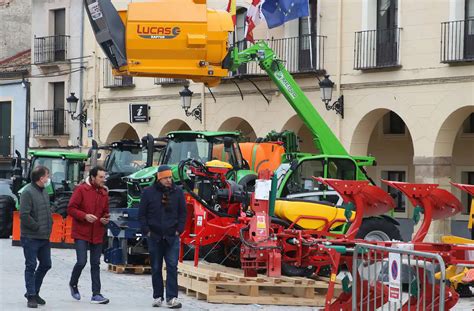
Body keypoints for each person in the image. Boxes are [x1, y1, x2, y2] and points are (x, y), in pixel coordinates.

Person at [139, 165, 186, 308]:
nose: (169, 180)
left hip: (172, 236)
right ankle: (157, 296)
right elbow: (142, 214)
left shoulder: (178, 192)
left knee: (172, 266)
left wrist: (179, 229)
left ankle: (171, 298)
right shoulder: (148, 193)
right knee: (156, 267)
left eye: (170, 177)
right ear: (159, 178)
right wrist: (147, 231)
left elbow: (183, 213)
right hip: (154, 236)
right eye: (166, 177)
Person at [67, 166, 110, 304]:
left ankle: (96, 294)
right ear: (92, 177)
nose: (103, 180)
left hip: (97, 232)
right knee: (81, 261)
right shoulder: (81, 189)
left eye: (104, 177)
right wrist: (85, 216)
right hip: (81, 232)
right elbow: (71, 208)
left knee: (95, 264)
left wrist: (105, 218)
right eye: (101, 177)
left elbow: (106, 212)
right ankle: (73, 283)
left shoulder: (104, 193)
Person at [20, 165, 53, 308]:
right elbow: (24, 215)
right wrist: (37, 227)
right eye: (47, 175)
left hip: (44, 237)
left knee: (46, 264)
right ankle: (31, 296)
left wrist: (49, 224)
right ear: (41, 178)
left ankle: (34, 291)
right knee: (31, 265)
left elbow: (47, 210)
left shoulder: (44, 191)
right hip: (31, 237)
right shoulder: (27, 192)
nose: (48, 178)